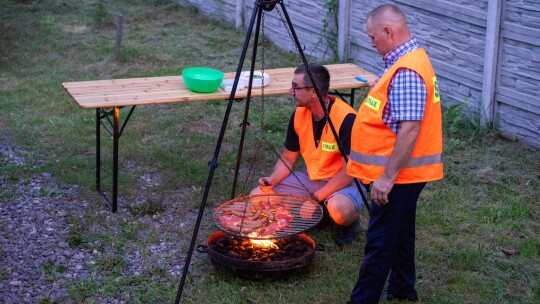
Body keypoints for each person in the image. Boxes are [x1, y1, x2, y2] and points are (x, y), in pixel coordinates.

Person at [346, 4, 443, 303]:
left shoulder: (406, 70)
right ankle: (403, 289)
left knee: (380, 241)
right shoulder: (408, 60)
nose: (371, 42)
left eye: (373, 36)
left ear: (388, 31)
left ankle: (362, 300)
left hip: (399, 174)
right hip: (405, 171)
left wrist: (387, 178)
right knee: (400, 231)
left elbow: (410, 129)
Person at [250, 63, 364, 246]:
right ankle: (320, 210)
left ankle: (348, 221)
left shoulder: (346, 119)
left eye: (296, 87)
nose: (290, 91)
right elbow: (288, 158)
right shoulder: (299, 114)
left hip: (344, 181)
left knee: (339, 210)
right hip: (312, 178)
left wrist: (316, 198)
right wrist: (272, 179)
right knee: (257, 197)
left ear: (314, 92)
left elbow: (349, 172)